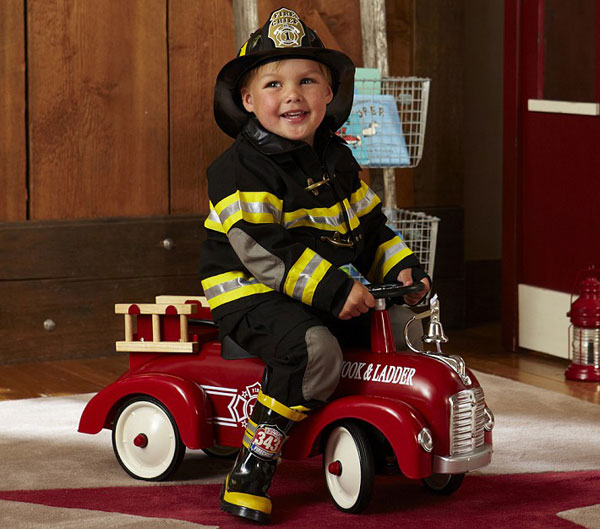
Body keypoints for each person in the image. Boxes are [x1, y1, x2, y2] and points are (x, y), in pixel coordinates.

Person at [199, 7, 430, 524]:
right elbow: (264, 251)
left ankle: (383, 433)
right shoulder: (238, 170)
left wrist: (401, 273)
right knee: (313, 350)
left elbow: (370, 230)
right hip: (250, 294)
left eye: (307, 80)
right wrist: (332, 291)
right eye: (274, 84)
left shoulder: (336, 159)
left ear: (329, 94)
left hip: (317, 287)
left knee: (396, 328)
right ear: (248, 99)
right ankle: (256, 458)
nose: (292, 95)